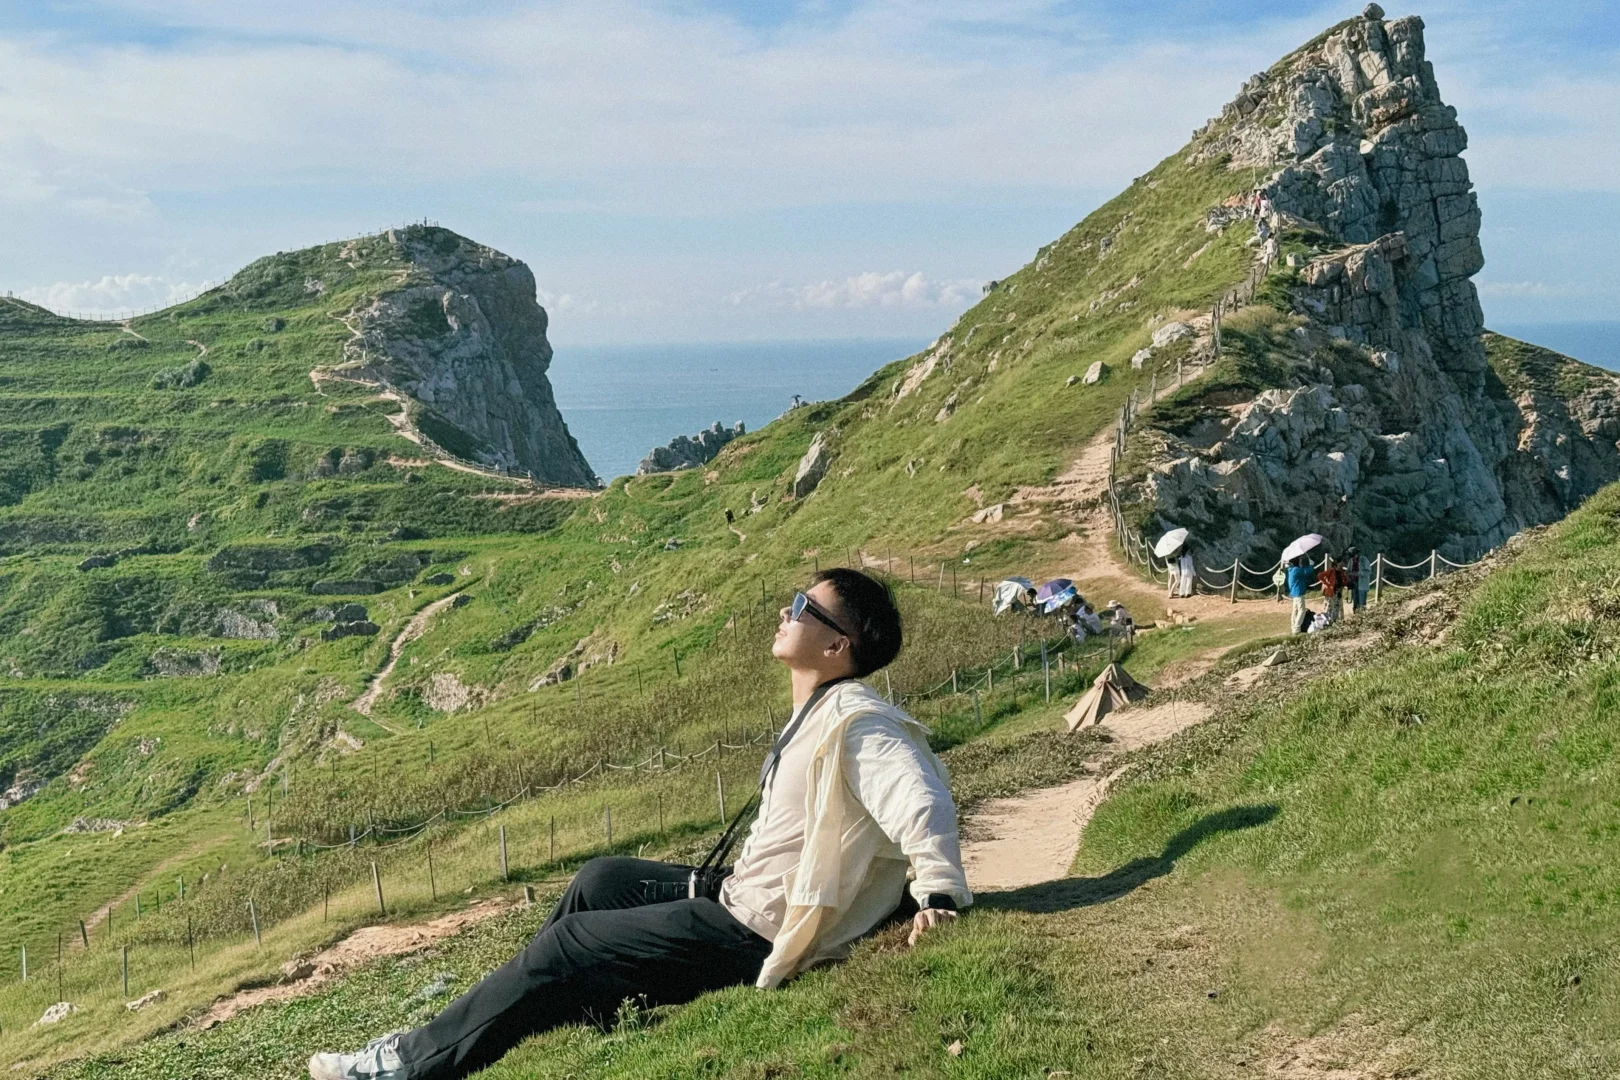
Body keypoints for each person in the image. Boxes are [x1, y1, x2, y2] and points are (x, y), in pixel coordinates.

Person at [308, 569, 971, 1080]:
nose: (785, 609)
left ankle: (405, 1064)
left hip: (759, 931)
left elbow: (920, 796)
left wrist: (939, 891)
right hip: (743, 896)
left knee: (567, 943)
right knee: (601, 881)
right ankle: (566, 1007)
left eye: (802, 606)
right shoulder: (824, 709)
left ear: (835, 644)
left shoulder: (860, 724)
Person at [1286, 555, 1316, 634]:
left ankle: (1294, 627)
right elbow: (1307, 571)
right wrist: (1311, 564)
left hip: (1294, 593)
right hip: (1298, 592)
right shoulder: (1296, 570)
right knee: (1301, 610)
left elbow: (1303, 570)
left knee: (1295, 610)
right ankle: (1296, 628)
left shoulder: (1292, 569)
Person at [1319, 555, 1347, 625]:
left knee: (1338, 607)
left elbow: (1344, 580)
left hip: (1338, 592)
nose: (1343, 564)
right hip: (1331, 592)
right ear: (1337, 563)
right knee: (1329, 607)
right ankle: (1326, 621)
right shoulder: (1331, 571)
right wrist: (1326, 583)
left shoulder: (1341, 572)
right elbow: (1320, 575)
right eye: (1341, 562)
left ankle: (1337, 621)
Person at [1345, 547, 1370, 613]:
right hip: (1354, 583)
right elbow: (1349, 570)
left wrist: (1358, 574)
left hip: (1362, 584)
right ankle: (1355, 615)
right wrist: (1348, 574)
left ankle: (1362, 616)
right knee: (1355, 601)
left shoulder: (1364, 560)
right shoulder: (1351, 561)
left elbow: (1368, 572)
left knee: (1362, 603)